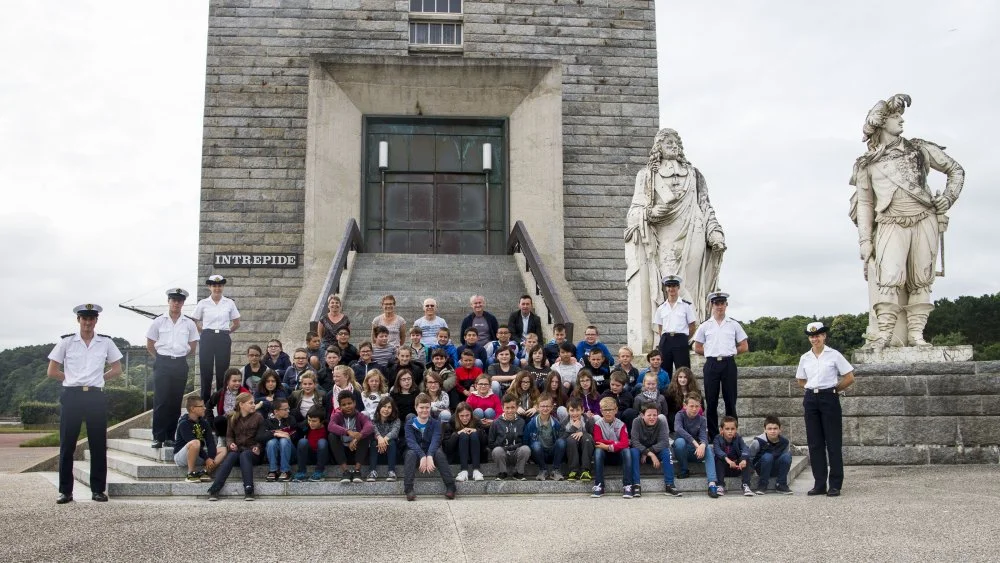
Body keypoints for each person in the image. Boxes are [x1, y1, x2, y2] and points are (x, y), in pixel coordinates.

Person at [850, 93, 964, 349]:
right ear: (881, 123)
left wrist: (948, 198)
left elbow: (955, 170)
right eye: (894, 116)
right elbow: (866, 203)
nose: (901, 120)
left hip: (924, 220)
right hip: (890, 222)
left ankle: (916, 335)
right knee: (889, 279)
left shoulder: (919, 149)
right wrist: (865, 240)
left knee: (921, 279)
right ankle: (885, 335)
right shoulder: (866, 164)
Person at [625, 128, 726, 354]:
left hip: (694, 228)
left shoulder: (694, 174)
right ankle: (682, 334)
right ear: (657, 147)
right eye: (666, 140)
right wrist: (650, 214)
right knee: (672, 284)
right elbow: (635, 210)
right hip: (665, 233)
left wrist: (715, 232)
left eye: (675, 140)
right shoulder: (647, 175)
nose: (672, 144)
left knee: (689, 285)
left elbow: (706, 206)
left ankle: (694, 338)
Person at [47, 303, 123, 504]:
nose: (88, 322)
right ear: (78, 320)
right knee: (67, 445)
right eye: (84, 318)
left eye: (91, 319)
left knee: (98, 444)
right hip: (72, 395)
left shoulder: (105, 342)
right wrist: (71, 378)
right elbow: (52, 370)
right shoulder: (67, 342)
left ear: (96, 320)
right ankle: (65, 491)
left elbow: (117, 368)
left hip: (95, 396)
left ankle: (98, 490)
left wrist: (99, 378)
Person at [796, 321, 855, 497]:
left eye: (818, 335)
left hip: (829, 397)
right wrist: (812, 389)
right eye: (812, 336)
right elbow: (800, 380)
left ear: (824, 336)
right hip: (811, 398)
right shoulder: (805, 357)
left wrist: (835, 389)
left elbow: (849, 377)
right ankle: (819, 483)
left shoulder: (834, 355)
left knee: (833, 442)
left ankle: (835, 484)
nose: (815, 339)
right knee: (815, 444)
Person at [146, 288, 200, 449]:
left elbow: (192, 346)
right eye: (173, 300)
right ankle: (158, 436)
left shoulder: (189, 323)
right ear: (168, 301)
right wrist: (162, 358)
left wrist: (178, 356)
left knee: (175, 402)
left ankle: (170, 436)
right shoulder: (158, 321)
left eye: (179, 300)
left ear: (183, 303)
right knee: (161, 400)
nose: (176, 303)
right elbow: (150, 343)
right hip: (162, 362)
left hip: (179, 363)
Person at [693, 291, 749, 439]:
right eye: (716, 303)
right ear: (712, 305)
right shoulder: (706, 326)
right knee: (711, 401)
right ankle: (713, 434)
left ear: (726, 305)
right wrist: (710, 352)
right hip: (711, 364)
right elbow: (696, 346)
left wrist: (731, 351)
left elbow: (744, 346)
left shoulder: (734, 324)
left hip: (728, 363)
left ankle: (731, 433)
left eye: (722, 303)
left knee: (730, 400)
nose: (719, 306)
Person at [193, 274, 241, 402]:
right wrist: (203, 331)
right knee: (206, 370)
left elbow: (236, 323)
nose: (217, 288)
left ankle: (221, 400)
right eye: (214, 285)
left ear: (223, 287)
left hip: (223, 337)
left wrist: (226, 332)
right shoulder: (203, 303)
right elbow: (195, 320)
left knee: (223, 371)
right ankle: (205, 402)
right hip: (207, 336)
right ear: (209, 287)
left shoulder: (229, 303)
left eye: (219, 285)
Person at [207, 392, 263, 501]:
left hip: (253, 454)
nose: (253, 405)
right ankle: (215, 488)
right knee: (232, 455)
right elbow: (229, 437)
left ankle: (249, 489)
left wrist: (258, 447)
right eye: (250, 403)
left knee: (245, 455)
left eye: (254, 403)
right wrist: (230, 444)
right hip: (238, 451)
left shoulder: (258, 417)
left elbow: (261, 437)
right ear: (241, 405)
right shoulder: (232, 417)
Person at [403, 393, 457, 501]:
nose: (424, 410)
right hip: (415, 453)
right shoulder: (409, 424)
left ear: (430, 407)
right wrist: (423, 456)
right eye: (421, 407)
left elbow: (435, 441)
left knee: (439, 453)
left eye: (427, 407)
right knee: (410, 454)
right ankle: (409, 489)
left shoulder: (436, 423)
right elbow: (411, 442)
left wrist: (430, 455)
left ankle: (451, 486)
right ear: (416, 408)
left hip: (431, 452)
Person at [673, 392, 720, 498]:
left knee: (707, 448)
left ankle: (712, 483)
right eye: (691, 406)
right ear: (685, 406)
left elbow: (703, 436)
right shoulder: (680, 415)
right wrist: (695, 442)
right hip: (681, 451)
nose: (694, 409)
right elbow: (678, 429)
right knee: (680, 442)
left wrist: (703, 445)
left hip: (696, 452)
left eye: (697, 406)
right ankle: (684, 470)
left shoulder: (702, 419)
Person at [630, 402, 682, 497]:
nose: (652, 418)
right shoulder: (636, 422)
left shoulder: (660, 422)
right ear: (642, 415)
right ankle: (636, 485)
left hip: (655, 452)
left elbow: (664, 442)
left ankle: (669, 484)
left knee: (667, 452)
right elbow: (634, 442)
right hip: (640, 452)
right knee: (633, 451)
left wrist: (649, 451)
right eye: (649, 415)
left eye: (655, 415)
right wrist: (648, 453)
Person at [174, 396, 226, 483]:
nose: (204, 408)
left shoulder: (204, 423)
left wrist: (210, 458)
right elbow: (192, 442)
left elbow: (210, 442)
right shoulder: (184, 424)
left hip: (198, 455)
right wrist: (206, 458)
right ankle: (191, 473)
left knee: (223, 449)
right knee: (195, 442)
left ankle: (205, 472)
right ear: (193, 408)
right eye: (201, 406)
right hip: (182, 457)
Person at [653, 275, 697, 373]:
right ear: (666, 288)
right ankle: (666, 388)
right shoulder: (661, 308)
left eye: (674, 286)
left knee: (683, 370)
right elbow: (660, 328)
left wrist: (684, 338)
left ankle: (684, 388)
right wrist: (665, 339)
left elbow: (692, 326)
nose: (671, 289)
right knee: (664, 370)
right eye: (669, 286)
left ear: (678, 287)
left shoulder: (686, 306)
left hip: (680, 339)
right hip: (666, 340)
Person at [591, 396, 634, 498]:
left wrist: (608, 446)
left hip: (618, 455)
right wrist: (615, 442)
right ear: (601, 411)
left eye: (610, 410)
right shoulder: (598, 424)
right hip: (605, 457)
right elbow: (598, 441)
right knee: (598, 451)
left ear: (616, 410)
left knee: (627, 451)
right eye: (605, 410)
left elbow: (625, 443)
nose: (608, 412)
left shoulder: (621, 425)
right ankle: (599, 485)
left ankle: (627, 485)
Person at [328, 391, 374, 484]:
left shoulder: (361, 415)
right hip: (342, 451)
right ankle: (345, 472)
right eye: (344, 405)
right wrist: (348, 432)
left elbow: (369, 426)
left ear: (355, 403)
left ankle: (357, 471)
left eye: (349, 403)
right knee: (331, 436)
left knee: (365, 435)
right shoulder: (336, 415)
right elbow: (331, 426)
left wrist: (357, 438)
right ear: (340, 406)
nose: (347, 406)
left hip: (357, 451)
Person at [488, 394, 531, 480]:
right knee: (497, 450)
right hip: (502, 454)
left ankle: (518, 473)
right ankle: (502, 472)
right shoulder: (496, 423)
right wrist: (502, 446)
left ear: (517, 407)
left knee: (526, 449)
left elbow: (525, 441)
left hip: (517, 454)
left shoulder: (521, 422)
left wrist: (513, 447)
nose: (510, 410)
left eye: (512, 407)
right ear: (503, 408)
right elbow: (491, 443)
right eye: (507, 408)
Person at [525, 393, 566, 481]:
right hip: (538, 454)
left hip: (552, 453)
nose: (545, 408)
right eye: (542, 406)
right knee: (535, 444)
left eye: (548, 406)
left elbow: (560, 442)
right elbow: (525, 441)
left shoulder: (556, 423)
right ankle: (543, 469)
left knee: (561, 441)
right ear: (538, 407)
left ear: (551, 407)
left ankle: (555, 470)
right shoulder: (532, 423)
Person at [750, 415, 793, 495]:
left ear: (780, 429)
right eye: (769, 429)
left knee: (787, 456)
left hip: (775, 468)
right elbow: (750, 457)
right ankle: (762, 485)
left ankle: (781, 484)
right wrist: (750, 471)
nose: (773, 431)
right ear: (765, 430)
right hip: (762, 468)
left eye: (775, 428)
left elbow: (784, 460)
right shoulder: (758, 441)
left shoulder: (785, 442)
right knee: (768, 456)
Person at [712, 416, 754, 497]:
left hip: (737, 467)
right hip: (724, 469)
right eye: (727, 429)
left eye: (732, 429)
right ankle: (720, 485)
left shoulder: (738, 438)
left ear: (736, 429)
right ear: (722, 430)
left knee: (746, 458)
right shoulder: (717, 438)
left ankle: (746, 485)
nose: (730, 431)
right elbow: (717, 451)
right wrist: (728, 461)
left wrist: (744, 460)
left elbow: (745, 448)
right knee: (718, 459)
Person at [444, 402, 485, 482]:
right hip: (458, 455)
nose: (465, 418)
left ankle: (476, 470)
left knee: (473, 434)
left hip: (476, 455)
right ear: (457, 415)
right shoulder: (451, 423)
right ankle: (464, 471)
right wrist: (457, 434)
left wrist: (476, 432)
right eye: (461, 416)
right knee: (463, 435)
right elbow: (447, 447)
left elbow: (485, 443)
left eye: (467, 415)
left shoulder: (476, 421)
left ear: (471, 414)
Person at [259, 398, 297, 482]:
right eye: (285, 409)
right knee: (272, 442)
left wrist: (281, 435)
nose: (288, 411)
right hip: (274, 455)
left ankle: (285, 471)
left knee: (284, 440)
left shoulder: (291, 419)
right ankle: (273, 470)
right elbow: (259, 437)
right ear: (276, 411)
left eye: (288, 408)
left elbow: (292, 436)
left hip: (290, 453)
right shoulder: (267, 422)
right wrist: (275, 433)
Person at [208, 369, 250, 437]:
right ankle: (222, 438)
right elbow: (209, 405)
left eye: (239, 381)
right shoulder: (221, 392)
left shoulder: (245, 393)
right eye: (234, 381)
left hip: (240, 421)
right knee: (218, 420)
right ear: (227, 381)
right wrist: (211, 422)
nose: (237, 383)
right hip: (225, 422)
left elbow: (250, 410)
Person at [367, 397, 400, 482]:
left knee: (391, 442)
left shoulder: (396, 420)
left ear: (392, 409)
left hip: (391, 452)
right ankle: (372, 471)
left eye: (389, 407)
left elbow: (394, 432)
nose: (386, 409)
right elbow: (374, 431)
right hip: (376, 452)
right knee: (374, 443)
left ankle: (391, 472)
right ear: (379, 408)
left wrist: (383, 439)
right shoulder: (373, 419)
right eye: (384, 406)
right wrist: (379, 438)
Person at [293, 406, 330, 482]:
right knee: (302, 441)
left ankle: (319, 472)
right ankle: (301, 472)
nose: (311, 423)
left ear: (322, 421)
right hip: (309, 456)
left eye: (314, 421)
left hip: (323, 456)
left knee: (322, 442)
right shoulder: (306, 425)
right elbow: (295, 428)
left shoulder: (328, 427)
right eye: (309, 420)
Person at [563, 398, 594, 481]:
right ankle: (573, 470)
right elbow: (562, 439)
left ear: (582, 410)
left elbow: (593, 436)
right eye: (572, 410)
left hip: (586, 449)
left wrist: (583, 433)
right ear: (568, 411)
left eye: (578, 410)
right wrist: (573, 428)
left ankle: (586, 471)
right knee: (571, 439)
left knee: (586, 438)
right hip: (571, 451)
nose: (575, 413)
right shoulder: (564, 422)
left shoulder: (589, 420)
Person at [663, 366, 702, 432]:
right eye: (680, 377)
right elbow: (668, 409)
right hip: (676, 418)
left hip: (691, 415)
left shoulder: (696, 391)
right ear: (676, 378)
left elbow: (701, 407)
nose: (682, 380)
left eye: (685, 377)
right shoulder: (670, 391)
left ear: (689, 378)